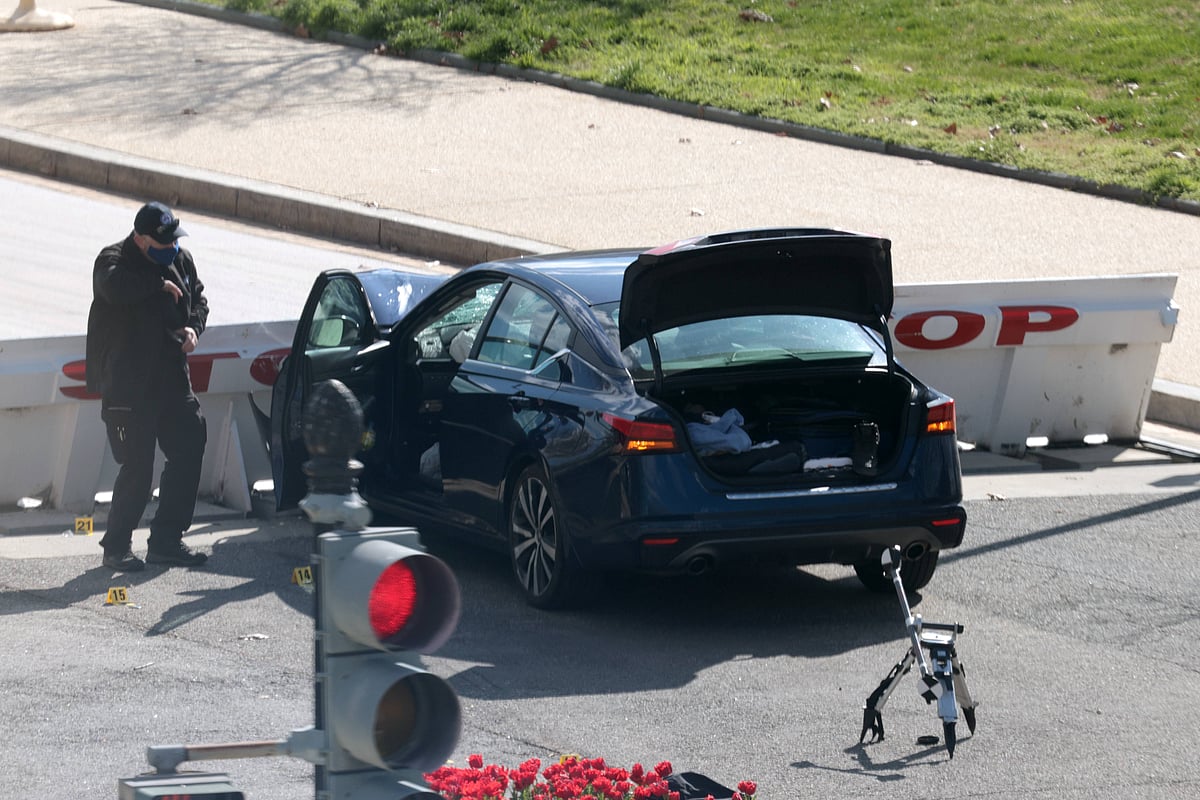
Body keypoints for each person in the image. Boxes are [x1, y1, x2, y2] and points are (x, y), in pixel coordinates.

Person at [85, 201, 210, 571]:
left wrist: (193, 328)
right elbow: (114, 288)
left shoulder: (181, 259)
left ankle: (167, 540)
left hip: (172, 376)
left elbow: (198, 298)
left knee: (190, 444)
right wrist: (158, 285)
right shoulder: (113, 261)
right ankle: (117, 547)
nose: (170, 249)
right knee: (138, 468)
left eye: (173, 240)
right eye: (161, 243)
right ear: (140, 239)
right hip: (130, 385)